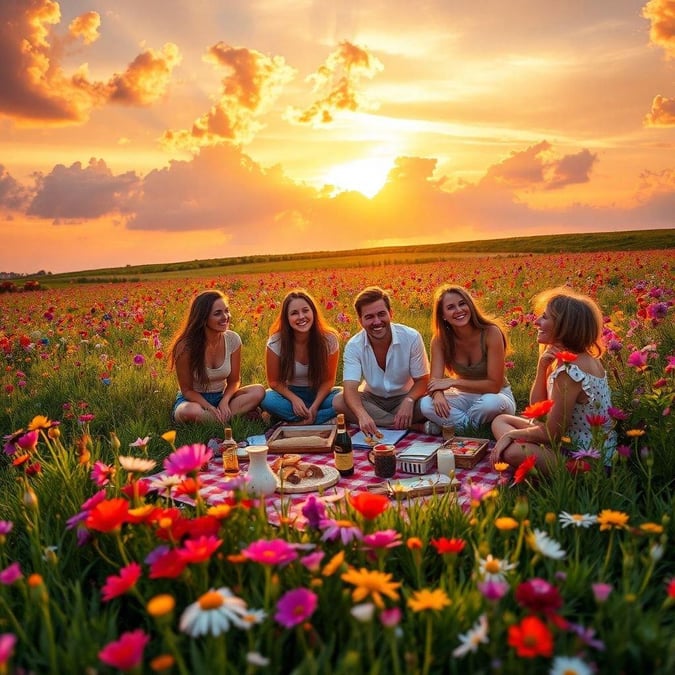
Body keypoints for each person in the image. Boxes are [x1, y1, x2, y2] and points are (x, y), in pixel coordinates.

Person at [490, 287, 617, 474]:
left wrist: (512, 435)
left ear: (564, 326)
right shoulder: (578, 358)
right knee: (500, 420)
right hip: (569, 440)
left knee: (512, 451)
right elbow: (538, 411)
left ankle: (531, 459)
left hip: (586, 461)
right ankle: (521, 446)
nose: (536, 322)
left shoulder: (570, 371)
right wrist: (542, 369)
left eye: (545, 317)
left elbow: (552, 434)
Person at [333, 286, 430, 435]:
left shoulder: (411, 337)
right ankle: (412, 427)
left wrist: (409, 400)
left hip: (405, 398)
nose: (377, 321)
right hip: (372, 400)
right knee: (339, 401)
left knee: (430, 404)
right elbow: (350, 388)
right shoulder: (354, 345)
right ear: (360, 321)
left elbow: (423, 380)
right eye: (369, 317)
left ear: (391, 313)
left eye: (381, 314)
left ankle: (386, 423)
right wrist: (362, 415)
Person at [420, 285, 516, 434]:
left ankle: (454, 428)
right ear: (443, 315)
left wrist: (454, 382)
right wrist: (438, 394)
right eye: (451, 307)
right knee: (426, 404)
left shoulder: (491, 332)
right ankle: (480, 429)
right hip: (464, 396)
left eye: (462, 303)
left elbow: (494, 386)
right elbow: (435, 381)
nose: (459, 310)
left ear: (470, 306)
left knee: (490, 404)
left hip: (498, 396)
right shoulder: (440, 340)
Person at [168, 290, 265, 424]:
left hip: (221, 396)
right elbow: (187, 390)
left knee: (258, 391)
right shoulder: (185, 346)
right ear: (203, 318)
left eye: (227, 311)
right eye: (217, 313)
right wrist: (208, 406)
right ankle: (226, 418)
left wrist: (225, 401)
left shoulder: (233, 339)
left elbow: (234, 381)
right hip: (194, 400)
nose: (225, 316)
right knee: (188, 411)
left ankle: (215, 418)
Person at [261, 289, 342, 425]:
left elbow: (329, 381)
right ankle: (322, 419)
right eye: (294, 313)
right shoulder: (276, 342)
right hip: (290, 395)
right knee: (267, 399)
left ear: (313, 312)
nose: (301, 317)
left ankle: (293, 421)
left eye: (305, 310)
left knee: (345, 398)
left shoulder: (329, 340)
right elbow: (274, 382)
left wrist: (315, 406)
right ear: (286, 318)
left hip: (320, 396)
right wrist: (294, 399)